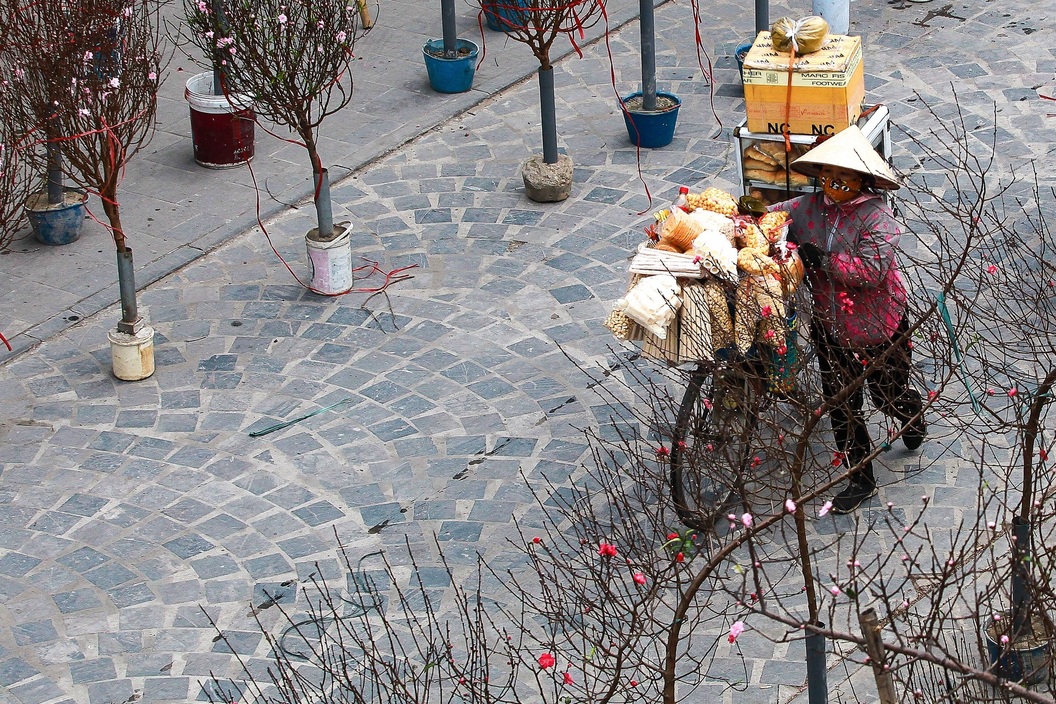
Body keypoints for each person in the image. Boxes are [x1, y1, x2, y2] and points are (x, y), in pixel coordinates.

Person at [769, 125, 926, 514]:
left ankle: (911, 411)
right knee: (841, 403)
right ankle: (860, 478)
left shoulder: (878, 219)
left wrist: (823, 259)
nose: (835, 184)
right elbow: (772, 219)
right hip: (830, 324)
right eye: (829, 176)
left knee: (886, 395)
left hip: (878, 325)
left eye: (846, 177)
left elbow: (870, 272)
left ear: (862, 181)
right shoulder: (807, 208)